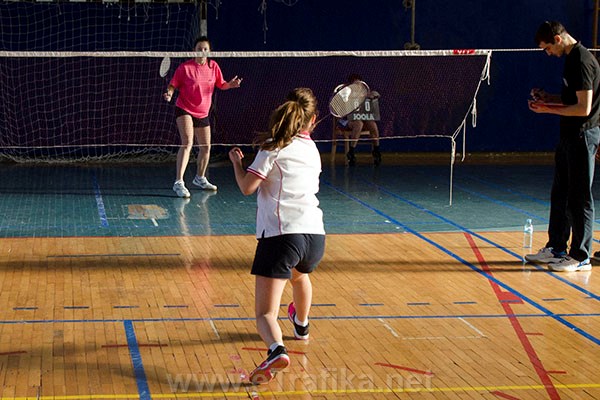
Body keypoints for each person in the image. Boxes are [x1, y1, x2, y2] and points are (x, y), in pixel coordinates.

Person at [228, 88, 326, 384]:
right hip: (315, 238)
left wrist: (237, 164)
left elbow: (247, 187)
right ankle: (301, 325)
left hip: (282, 237)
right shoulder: (313, 150)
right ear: (312, 119)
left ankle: (276, 350)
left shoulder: (273, 147)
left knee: (265, 314)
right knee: (299, 277)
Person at [525, 21, 600, 272]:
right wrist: (550, 98)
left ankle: (581, 256)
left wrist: (547, 109)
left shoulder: (582, 60)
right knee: (561, 194)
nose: (548, 54)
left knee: (580, 197)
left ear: (558, 39)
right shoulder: (570, 59)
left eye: (548, 48)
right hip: (568, 136)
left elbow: (583, 108)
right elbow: (571, 99)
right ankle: (557, 247)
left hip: (583, 136)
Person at [164, 36, 242, 198]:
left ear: (209, 51)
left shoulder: (214, 67)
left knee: (206, 147)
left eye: (205, 48)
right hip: (184, 108)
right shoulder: (185, 68)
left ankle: (200, 178)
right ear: (194, 50)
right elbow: (173, 84)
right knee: (187, 143)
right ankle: (178, 182)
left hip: (203, 112)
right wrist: (169, 94)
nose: (202, 51)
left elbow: (221, 84)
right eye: (199, 48)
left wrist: (230, 85)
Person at [337, 74, 382, 166]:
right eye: (355, 84)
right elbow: (339, 111)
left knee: (372, 124)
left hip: (360, 120)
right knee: (359, 124)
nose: (357, 87)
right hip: (345, 121)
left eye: (359, 84)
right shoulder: (344, 94)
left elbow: (376, 95)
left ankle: (376, 150)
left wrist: (374, 95)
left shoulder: (364, 94)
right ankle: (351, 152)